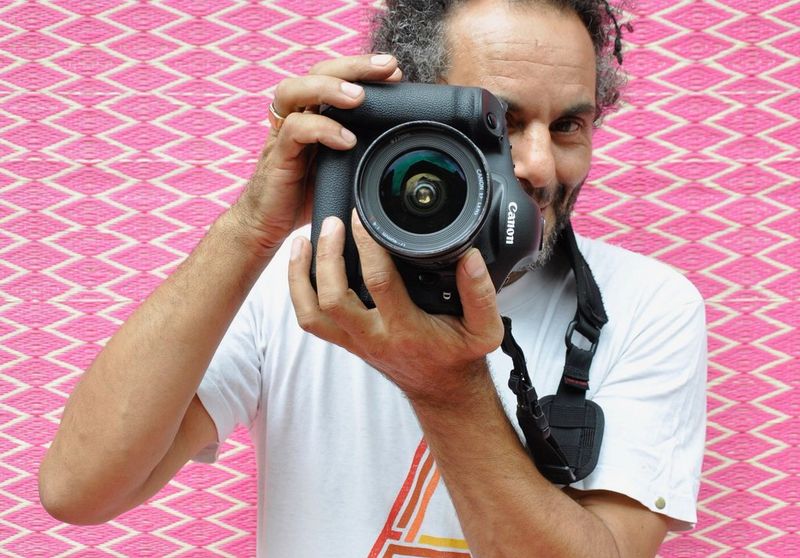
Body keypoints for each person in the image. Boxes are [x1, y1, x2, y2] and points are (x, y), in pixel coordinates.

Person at [39, 0, 707, 556]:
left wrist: (446, 387)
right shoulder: (301, 275)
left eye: (567, 126)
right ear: (411, 115)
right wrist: (251, 228)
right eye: (501, 124)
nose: (539, 165)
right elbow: (80, 489)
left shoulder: (646, 305)